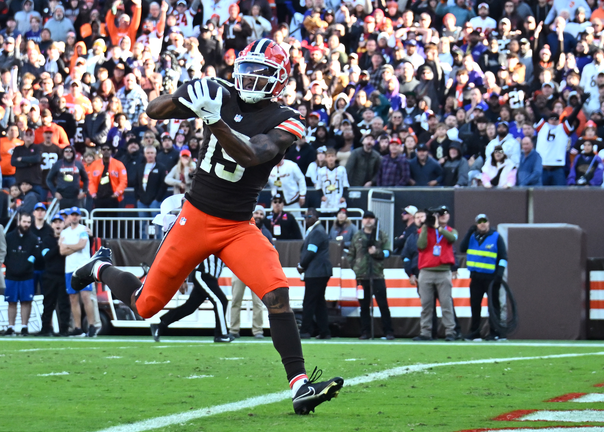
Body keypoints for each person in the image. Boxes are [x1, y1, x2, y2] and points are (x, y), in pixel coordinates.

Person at [69, 39, 343, 415]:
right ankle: (100, 266)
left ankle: (299, 385)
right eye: (247, 70)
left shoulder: (286, 119)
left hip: (238, 226)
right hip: (194, 218)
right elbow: (153, 110)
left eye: (261, 72)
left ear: (278, 80)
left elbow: (251, 155)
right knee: (146, 305)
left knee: (277, 293)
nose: (251, 79)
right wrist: (186, 94)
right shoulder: (218, 91)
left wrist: (214, 120)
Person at [151, 255, 234, 343]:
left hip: (210, 278)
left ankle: (160, 326)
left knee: (189, 307)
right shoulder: (207, 242)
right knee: (221, 301)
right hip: (203, 276)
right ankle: (220, 334)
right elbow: (190, 257)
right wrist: (183, 279)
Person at [346, 211, 394, 340]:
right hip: (362, 277)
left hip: (377, 275)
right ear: (362, 220)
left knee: (383, 304)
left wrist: (377, 252)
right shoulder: (357, 236)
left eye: (371, 218)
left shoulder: (381, 235)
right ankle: (365, 332)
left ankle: (388, 331)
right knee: (364, 306)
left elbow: (388, 252)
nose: (368, 221)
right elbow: (351, 254)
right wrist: (356, 268)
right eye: (366, 218)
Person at [459, 214, 508, 341]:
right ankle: (475, 332)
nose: (482, 224)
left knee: (493, 306)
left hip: (491, 278)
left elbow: (503, 257)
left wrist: (499, 273)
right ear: (476, 224)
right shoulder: (472, 236)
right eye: (479, 222)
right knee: (475, 305)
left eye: (484, 221)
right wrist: (468, 233)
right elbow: (462, 248)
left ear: (488, 222)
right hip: (475, 277)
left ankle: (495, 332)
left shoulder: (496, 237)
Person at [414, 206, 458, 342]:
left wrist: (439, 227)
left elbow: (452, 239)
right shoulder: (424, 230)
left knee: (446, 303)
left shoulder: (450, 231)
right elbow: (421, 245)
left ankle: (450, 331)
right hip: (426, 271)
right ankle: (425, 332)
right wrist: (427, 226)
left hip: (443, 271)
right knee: (426, 304)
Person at [229, 205, 271, 340]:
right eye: (256, 213)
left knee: (258, 302)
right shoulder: (241, 228)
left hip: (257, 270)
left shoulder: (267, 233)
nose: (258, 215)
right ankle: (234, 329)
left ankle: (258, 330)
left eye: (261, 214)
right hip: (239, 268)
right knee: (236, 300)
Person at [60, 206, 97, 337]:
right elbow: (61, 251)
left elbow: (81, 245)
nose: (74, 217)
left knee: (86, 297)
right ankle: (78, 327)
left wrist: (68, 246)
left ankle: (92, 325)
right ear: (69, 217)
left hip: (83, 268)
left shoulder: (83, 230)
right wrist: (74, 246)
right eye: (72, 215)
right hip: (70, 268)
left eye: (76, 215)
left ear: (80, 217)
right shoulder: (65, 232)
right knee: (73, 298)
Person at [297, 208, 333, 340]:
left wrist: (302, 265)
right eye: (305, 217)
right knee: (318, 302)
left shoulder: (317, 232)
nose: (306, 219)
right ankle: (324, 331)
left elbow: (311, 251)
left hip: (316, 271)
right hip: (319, 271)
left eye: (308, 216)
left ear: (316, 217)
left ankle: (305, 331)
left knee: (309, 302)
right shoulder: (317, 230)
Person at [3, 212, 41, 336]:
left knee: (26, 301)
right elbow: (4, 255)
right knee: (11, 302)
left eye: (29, 222)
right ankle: (10, 327)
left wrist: (25, 267)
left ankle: (24, 327)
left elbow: (35, 255)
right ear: (19, 222)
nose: (26, 224)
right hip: (11, 275)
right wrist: (11, 267)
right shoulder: (8, 237)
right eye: (24, 222)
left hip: (27, 275)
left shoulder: (33, 239)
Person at [36, 214, 72, 337]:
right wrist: (58, 246)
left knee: (64, 304)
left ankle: (64, 329)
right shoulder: (47, 240)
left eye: (60, 222)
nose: (57, 224)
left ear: (64, 224)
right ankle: (45, 328)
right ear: (52, 225)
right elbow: (46, 256)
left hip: (64, 275)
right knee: (48, 303)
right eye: (55, 222)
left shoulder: (69, 238)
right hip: (50, 275)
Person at [87, 142, 128, 212]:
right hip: (99, 197)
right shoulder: (94, 164)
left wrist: (117, 193)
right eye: (103, 149)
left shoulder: (118, 164)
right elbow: (90, 180)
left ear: (111, 151)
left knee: (113, 221)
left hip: (114, 198)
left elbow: (123, 181)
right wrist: (93, 194)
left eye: (108, 149)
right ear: (101, 151)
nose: (106, 151)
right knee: (99, 221)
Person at [30, 203, 53, 295]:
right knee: (30, 296)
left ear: (45, 213)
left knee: (46, 295)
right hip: (31, 267)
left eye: (42, 210)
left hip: (46, 267)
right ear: (34, 213)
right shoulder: (29, 229)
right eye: (37, 210)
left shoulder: (50, 229)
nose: (40, 213)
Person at [317, 148, 350, 213]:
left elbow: (345, 185)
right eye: (329, 156)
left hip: (338, 199)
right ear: (325, 158)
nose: (331, 158)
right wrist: (321, 196)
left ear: (336, 157)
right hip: (327, 199)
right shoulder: (321, 171)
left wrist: (344, 197)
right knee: (326, 220)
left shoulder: (341, 169)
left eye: (332, 156)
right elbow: (318, 187)